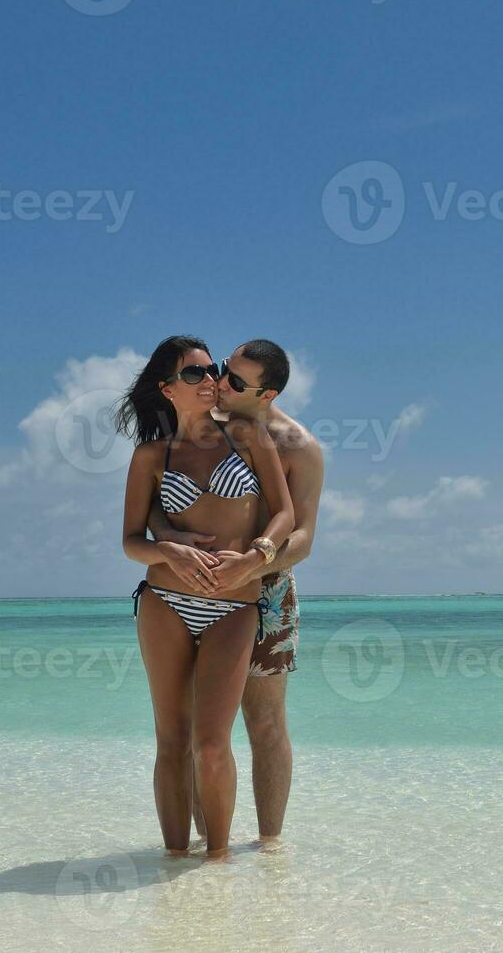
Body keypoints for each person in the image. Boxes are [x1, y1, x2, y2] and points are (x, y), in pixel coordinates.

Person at [118, 335, 294, 860]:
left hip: (235, 606)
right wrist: (167, 552)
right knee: (171, 743)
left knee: (211, 745)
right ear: (167, 388)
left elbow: (285, 516)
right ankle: (174, 867)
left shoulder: (248, 437)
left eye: (211, 369)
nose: (210, 379)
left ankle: (217, 868)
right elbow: (130, 543)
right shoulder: (152, 455)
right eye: (193, 374)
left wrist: (257, 556)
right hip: (164, 604)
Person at [148, 338, 323, 846]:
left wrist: (255, 562)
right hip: (199, 589)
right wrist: (170, 539)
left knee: (265, 721)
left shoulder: (298, 446)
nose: (221, 384)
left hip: (265, 593)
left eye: (237, 383)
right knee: (203, 730)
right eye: (224, 371)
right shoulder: (205, 427)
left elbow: (304, 537)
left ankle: (270, 848)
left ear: (265, 395)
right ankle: (205, 848)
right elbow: (158, 496)